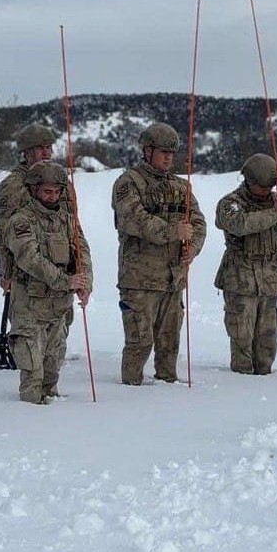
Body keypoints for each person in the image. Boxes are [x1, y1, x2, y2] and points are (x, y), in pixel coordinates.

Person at [112, 122, 206, 385]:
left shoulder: (180, 187)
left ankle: (168, 391)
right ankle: (130, 392)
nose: (168, 158)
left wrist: (193, 248)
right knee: (139, 342)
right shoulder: (128, 183)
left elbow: (197, 222)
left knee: (169, 344)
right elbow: (136, 220)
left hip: (172, 279)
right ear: (147, 150)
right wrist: (174, 232)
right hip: (140, 280)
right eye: (163, 151)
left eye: (172, 153)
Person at [4, 161, 92, 403]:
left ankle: (53, 420)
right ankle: (31, 421)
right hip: (30, 306)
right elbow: (29, 258)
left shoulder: (67, 220)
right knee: (33, 371)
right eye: (46, 191)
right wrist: (67, 281)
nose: (52, 196)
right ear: (34, 190)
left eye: (56, 191)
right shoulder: (21, 221)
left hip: (58, 308)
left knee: (52, 368)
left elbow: (82, 252)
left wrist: (85, 283)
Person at [214, 154, 277, 375]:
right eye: (261, 187)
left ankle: (265, 374)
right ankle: (241, 377)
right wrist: (275, 212)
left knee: (268, 333)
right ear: (249, 181)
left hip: (269, 278)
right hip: (240, 278)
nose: (266, 192)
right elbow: (241, 224)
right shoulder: (230, 203)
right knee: (241, 332)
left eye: (269, 187)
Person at [0, 122, 60, 292]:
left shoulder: (59, 182)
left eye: (49, 147)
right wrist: (5, 271)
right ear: (28, 153)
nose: (46, 153)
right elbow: (1, 232)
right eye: (40, 148)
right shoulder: (14, 185)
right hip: (26, 276)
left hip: (60, 274)